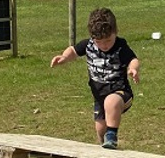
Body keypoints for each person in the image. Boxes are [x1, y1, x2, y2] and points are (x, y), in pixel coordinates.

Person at [50, 8, 140, 149]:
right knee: (99, 128)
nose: (104, 45)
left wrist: (133, 69)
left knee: (111, 102)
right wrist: (64, 57)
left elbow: (133, 59)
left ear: (115, 32)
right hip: (99, 97)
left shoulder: (120, 46)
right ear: (92, 38)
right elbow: (73, 50)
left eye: (108, 40)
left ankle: (112, 136)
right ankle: (105, 148)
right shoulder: (88, 45)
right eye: (99, 42)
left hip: (121, 94)